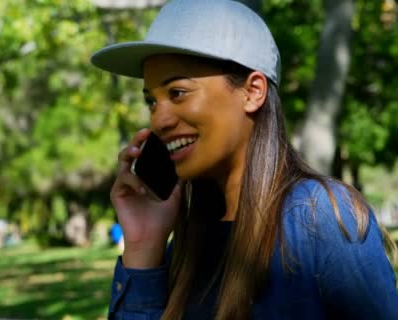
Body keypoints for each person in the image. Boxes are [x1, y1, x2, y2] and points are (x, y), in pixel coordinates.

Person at [90, 0, 398, 319]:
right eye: (152, 101)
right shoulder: (187, 243)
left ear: (252, 92)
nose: (158, 120)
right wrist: (143, 244)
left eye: (178, 92)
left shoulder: (321, 219)